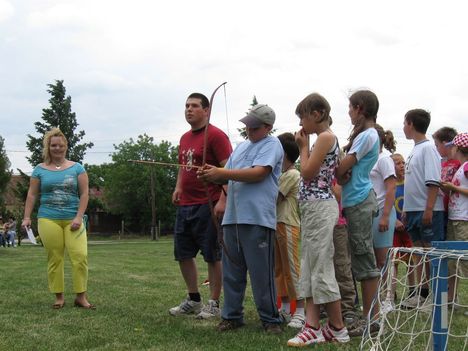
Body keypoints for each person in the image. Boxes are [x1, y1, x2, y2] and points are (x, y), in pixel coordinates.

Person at [198, 104, 284, 334]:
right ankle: (232, 316)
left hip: (257, 218)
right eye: (247, 125)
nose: (249, 130)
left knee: (260, 274)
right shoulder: (241, 147)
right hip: (233, 218)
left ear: (268, 127)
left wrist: (221, 173)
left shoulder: (272, 144)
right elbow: (227, 175)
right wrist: (212, 177)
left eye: (254, 127)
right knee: (232, 272)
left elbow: (259, 173)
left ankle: (270, 319)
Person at [287, 93, 349, 346]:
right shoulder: (324, 139)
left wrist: (303, 146)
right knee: (311, 266)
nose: (301, 123)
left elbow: (308, 172)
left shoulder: (325, 137)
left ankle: (334, 327)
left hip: (320, 207)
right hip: (313, 208)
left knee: (320, 266)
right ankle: (316, 326)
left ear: (318, 114)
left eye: (303, 116)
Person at [169, 92, 232, 319]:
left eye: (194, 106)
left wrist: (223, 201)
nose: (189, 109)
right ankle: (193, 299)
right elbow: (182, 167)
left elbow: (229, 171)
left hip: (209, 204)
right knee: (183, 253)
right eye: (186, 105)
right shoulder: (185, 138)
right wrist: (178, 187)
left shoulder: (216, 136)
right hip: (185, 204)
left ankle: (214, 303)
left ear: (206, 110)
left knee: (212, 255)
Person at [22, 128, 93, 309]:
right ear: (48, 146)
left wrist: (78, 216)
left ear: (66, 146)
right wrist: (26, 217)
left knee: (80, 256)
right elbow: (31, 195)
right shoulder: (39, 170)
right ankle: (59, 297)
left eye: (60, 145)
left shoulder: (77, 168)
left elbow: (84, 194)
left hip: (73, 219)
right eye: (53, 145)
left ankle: (81, 297)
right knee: (55, 258)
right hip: (48, 218)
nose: (57, 148)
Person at [336, 90, 381, 337]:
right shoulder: (366, 135)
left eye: (351, 108)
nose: (349, 113)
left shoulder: (368, 135)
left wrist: (340, 172)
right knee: (361, 261)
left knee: (365, 262)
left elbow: (342, 168)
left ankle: (371, 319)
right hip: (355, 201)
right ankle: (369, 317)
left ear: (360, 108)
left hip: (361, 201)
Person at [400, 109, 444, 309]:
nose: (403, 127)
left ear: (410, 123)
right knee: (418, 251)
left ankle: (435, 295)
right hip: (413, 210)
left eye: (404, 123)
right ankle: (421, 292)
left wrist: (428, 209)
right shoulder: (415, 149)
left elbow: (433, 182)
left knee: (429, 251)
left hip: (427, 210)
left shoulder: (428, 149)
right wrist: (406, 209)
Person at [274, 132, 305, 329]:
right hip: (275, 224)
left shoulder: (292, 174)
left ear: (283, 154)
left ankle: (300, 311)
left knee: (292, 269)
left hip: (288, 224)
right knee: (279, 269)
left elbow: (274, 197)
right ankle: (285, 308)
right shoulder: (282, 174)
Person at [440, 132, 468, 310]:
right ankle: (451, 299)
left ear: (458, 147)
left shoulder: (466, 167)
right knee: (453, 261)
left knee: (464, 261)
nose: (450, 148)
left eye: (452, 146)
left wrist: (452, 187)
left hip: (463, 220)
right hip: (455, 218)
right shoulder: (462, 166)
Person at [370, 125, 397, 271]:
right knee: (373, 260)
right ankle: (377, 293)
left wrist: (385, 216)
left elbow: (391, 187)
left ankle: (388, 294)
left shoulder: (384, 159)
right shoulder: (369, 159)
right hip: (369, 212)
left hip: (381, 211)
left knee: (383, 259)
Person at [390, 153, 416, 302]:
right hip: (394, 229)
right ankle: (391, 294)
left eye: (403, 162)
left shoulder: (410, 183)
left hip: (409, 228)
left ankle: (413, 291)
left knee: (412, 260)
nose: (401, 166)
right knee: (393, 261)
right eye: (397, 163)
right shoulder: (390, 185)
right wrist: (394, 221)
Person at [432, 127, 460, 240]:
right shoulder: (441, 164)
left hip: (456, 211)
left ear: (444, 144)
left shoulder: (460, 163)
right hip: (442, 209)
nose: (436, 148)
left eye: (437, 145)